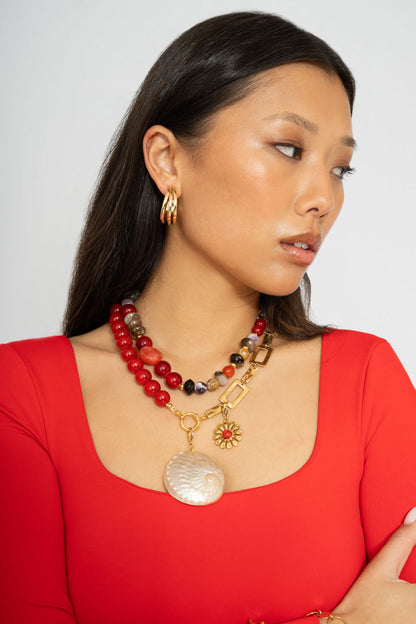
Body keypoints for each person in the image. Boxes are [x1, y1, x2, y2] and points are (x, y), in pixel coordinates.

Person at [0, 10, 415, 624]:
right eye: (289, 148)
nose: (323, 198)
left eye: (339, 168)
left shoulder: (366, 379)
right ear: (168, 159)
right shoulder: (23, 392)